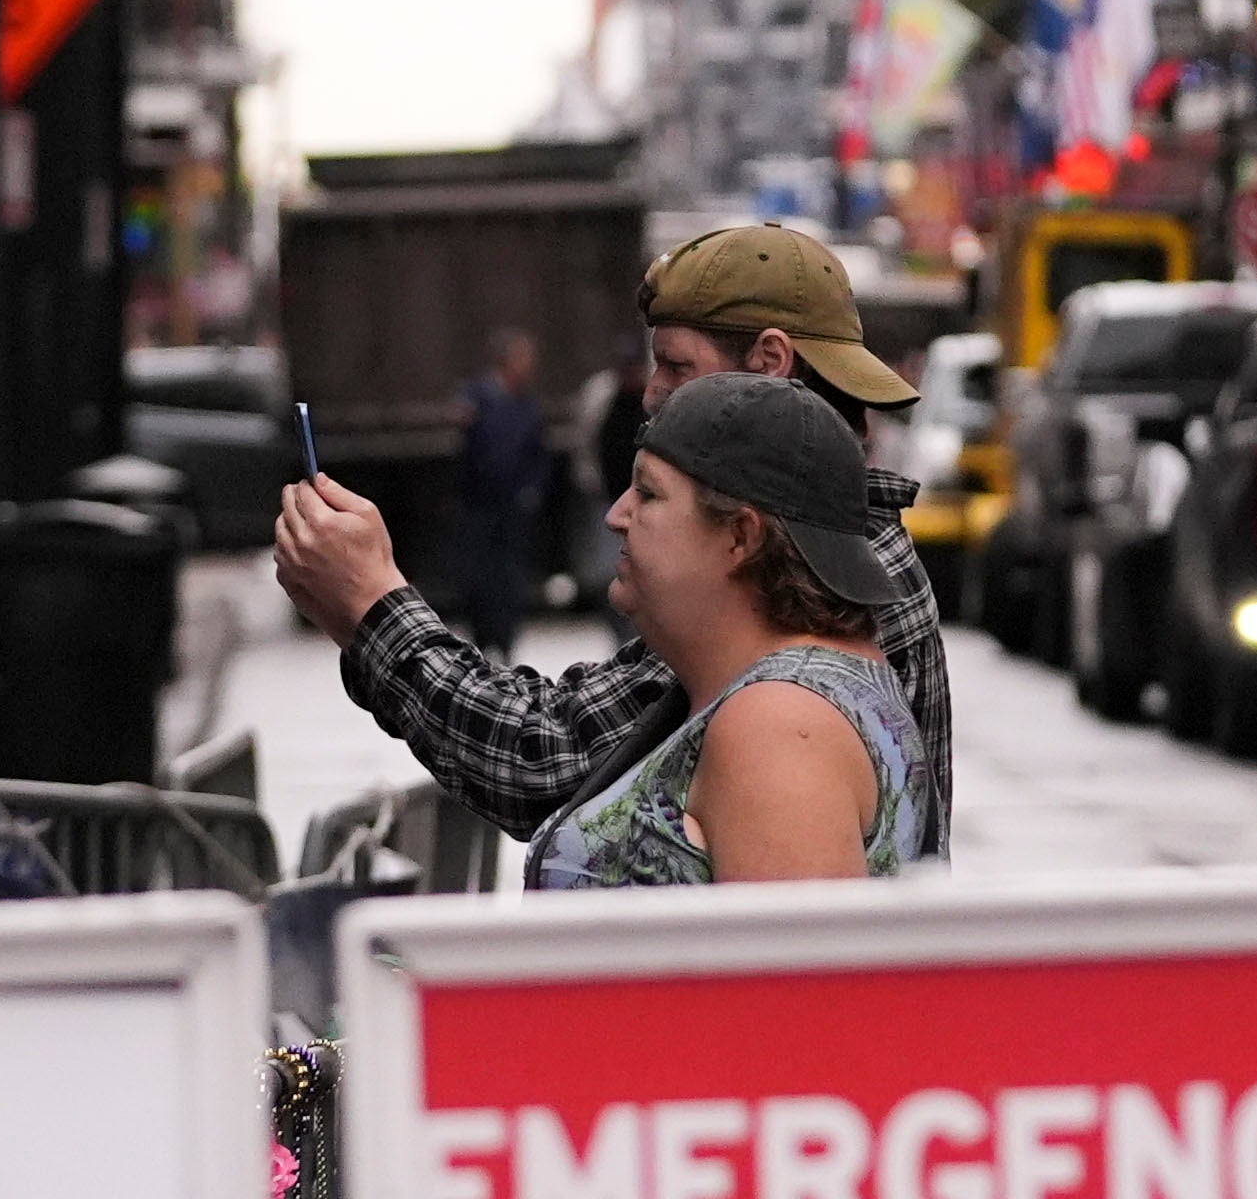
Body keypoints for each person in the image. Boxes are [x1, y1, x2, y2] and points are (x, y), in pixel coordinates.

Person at [271, 220, 955, 862]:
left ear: (770, 361)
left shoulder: (817, 599)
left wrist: (372, 606)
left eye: (677, 366)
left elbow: (548, 758)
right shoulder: (825, 562)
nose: (653, 392)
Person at [522, 375, 928, 888]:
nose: (616, 515)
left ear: (740, 536)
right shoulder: (785, 697)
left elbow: (792, 966)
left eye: (647, 493)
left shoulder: (781, 727)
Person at [448, 328, 554, 646]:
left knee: (510, 578)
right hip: (480, 503)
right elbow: (467, 450)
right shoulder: (478, 398)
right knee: (479, 576)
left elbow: (537, 452)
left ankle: (506, 640)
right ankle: (483, 639)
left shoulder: (527, 405)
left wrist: (531, 490)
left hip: (512, 506)